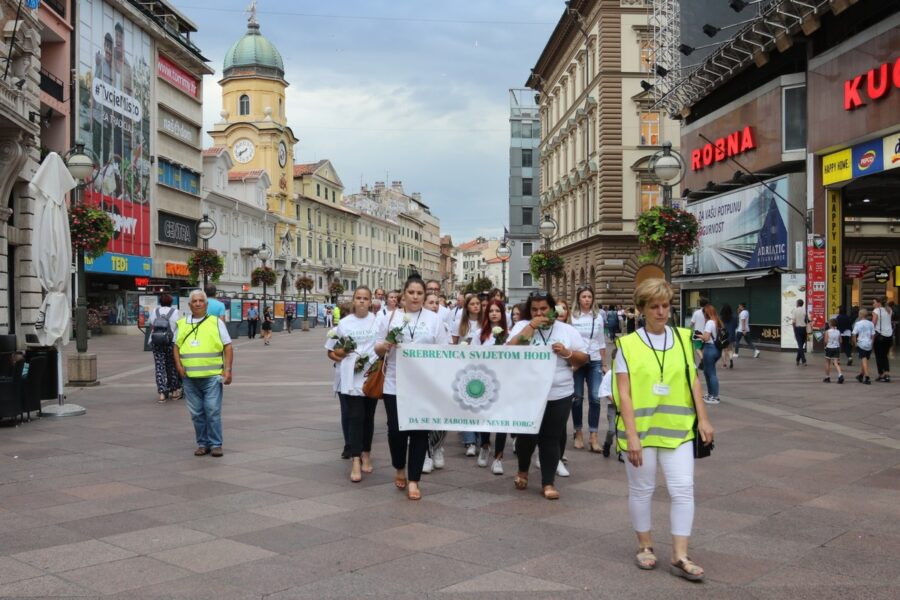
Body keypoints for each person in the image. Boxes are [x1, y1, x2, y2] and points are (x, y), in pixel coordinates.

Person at [612, 278, 714, 582]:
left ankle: (680, 555)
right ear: (641, 309)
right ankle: (645, 545)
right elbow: (624, 393)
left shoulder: (684, 338)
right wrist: (631, 435)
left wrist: (704, 418)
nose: (661, 312)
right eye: (654, 307)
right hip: (640, 431)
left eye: (665, 305)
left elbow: (693, 380)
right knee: (642, 489)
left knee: (683, 488)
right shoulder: (626, 345)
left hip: (678, 428)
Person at [374, 275, 450, 500]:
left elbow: (443, 351)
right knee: (396, 431)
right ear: (403, 295)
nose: (415, 297)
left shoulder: (434, 319)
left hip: (423, 385)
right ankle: (399, 467)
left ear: (424, 295)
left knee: (419, 432)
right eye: (411, 293)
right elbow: (377, 349)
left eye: (419, 293)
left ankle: (414, 480)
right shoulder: (390, 317)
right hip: (394, 383)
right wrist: (387, 344)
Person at [507, 290, 588, 500]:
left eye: (544, 309)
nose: (539, 313)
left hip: (559, 392)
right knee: (526, 435)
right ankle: (522, 470)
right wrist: (531, 327)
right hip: (528, 392)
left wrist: (566, 352)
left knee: (551, 438)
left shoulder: (567, 330)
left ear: (553, 309)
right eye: (534, 310)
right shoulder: (522, 326)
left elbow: (583, 358)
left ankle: (548, 482)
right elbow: (509, 350)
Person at [173, 289, 234, 457]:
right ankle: (202, 444)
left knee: (212, 411)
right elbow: (176, 347)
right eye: (195, 301)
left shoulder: (216, 322)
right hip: (189, 378)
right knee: (197, 414)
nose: (198, 303)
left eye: (201, 301)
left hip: (212, 377)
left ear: (206, 304)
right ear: (190, 305)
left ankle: (215, 444)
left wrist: (227, 371)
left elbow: (228, 346)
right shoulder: (182, 323)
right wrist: (178, 365)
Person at [325, 287, 378, 482]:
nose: (362, 301)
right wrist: (341, 355)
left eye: (365, 298)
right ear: (353, 301)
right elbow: (331, 350)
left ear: (370, 301)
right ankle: (355, 458)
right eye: (358, 298)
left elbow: (381, 345)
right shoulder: (345, 323)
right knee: (355, 417)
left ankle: (366, 453)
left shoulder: (377, 321)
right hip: (351, 378)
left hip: (371, 377)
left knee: (369, 418)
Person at [471, 300, 510, 474]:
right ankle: (485, 445)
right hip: (485, 381)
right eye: (491, 311)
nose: (494, 313)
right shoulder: (480, 334)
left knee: (502, 420)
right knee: (485, 417)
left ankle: (498, 457)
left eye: (497, 311)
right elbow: (471, 355)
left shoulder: (509, 335)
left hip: (503, 381)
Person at [570, 286, 608, 453]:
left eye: (589, 297)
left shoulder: (598, 317)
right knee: (577, 397)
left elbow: (601, 341)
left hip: (594, 360)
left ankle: (593, 435)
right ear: (578, 299)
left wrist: (604, 363)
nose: (586, 299)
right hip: (578, 360)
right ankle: (578, 432)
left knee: (595, 397)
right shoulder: (572, 317)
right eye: (584, 297)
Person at [421, 291, 450, 474]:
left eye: (436, 303)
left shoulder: (442, 324)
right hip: (420, 375)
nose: (434, 306)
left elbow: (445, 348)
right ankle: (425, 452)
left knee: (440, 414)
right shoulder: (416, 323)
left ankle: (438, 446)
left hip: (438, 374)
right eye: (430, 302)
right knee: (424, 414)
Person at [453, 293, 482, 455]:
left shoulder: (484, 323)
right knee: (466, 402)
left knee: (479, 403)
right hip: (464, 365)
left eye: (478, 303)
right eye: (472, 304)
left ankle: (478, 436)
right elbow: (453, 343)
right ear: (467, 307)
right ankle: (469, 440)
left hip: (481, 365)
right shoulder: (460, 323)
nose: (476, 306)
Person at [149, 293, 181, 403]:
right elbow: (179, 326)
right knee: (171, 366)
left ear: (160, 302)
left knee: (159, 366)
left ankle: (162, 393)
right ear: (171, 302)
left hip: (157, 341)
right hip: (171, 342)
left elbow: (151, 324)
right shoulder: (175, 312)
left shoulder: (155, 311)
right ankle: (174, 391)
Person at [700, 304, 723, 405]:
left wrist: (698, 335)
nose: (703, 315)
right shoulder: (717, 321)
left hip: (710, 349)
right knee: (707, 371)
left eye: (704, 313)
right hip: (717, 349)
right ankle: (711, 394)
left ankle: (714, 396)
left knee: (711, 373)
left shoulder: (709, 322)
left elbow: (706, 337)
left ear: (707, 313)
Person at [872, 297, 893, 383]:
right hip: (889, 336)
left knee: (879, 356)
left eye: (874, 303)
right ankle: (887, 374)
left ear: (878, 303)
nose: (873, 304)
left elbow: (874, 323)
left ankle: (881, 374)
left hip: (880, 336)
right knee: (885, 355)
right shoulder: (889, 310)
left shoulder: (876, 311)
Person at [852, 308, 875, 384]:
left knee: (864, 360)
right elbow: (873, 334)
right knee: (864, 360)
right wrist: (871, 343)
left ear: (860, 315)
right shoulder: (871, 323)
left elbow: (854, 334)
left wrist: (855, 343)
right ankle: (861, 375)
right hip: (869, 344)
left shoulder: (858, 323)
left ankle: (867, 377)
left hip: (861, 343)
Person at [823, 318, 845, 384]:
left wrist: (825, 345)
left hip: (829, 348)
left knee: (827, 362)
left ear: (830, 324)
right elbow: (841, 341)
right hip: (836, 348)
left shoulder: (827, 332)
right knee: (836, 363)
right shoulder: (838, 331)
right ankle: (840, 375)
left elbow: (825, 341)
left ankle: (827, 377)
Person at [690, 298, 708, 369]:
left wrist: (689, 328)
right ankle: (702, 363)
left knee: (697, 347)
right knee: (703, 348)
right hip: (706, 333)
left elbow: (692, 323)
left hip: (697, 333)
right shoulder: (708, 312)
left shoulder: (696, 312)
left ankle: (702, 359)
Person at [791, 299, 808, 366]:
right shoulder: (805, 310)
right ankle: (798, 360)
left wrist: (794, 330)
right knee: (801, 345)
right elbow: (807, 320)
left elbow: (793, 322)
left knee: (800, 345)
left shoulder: (794, 310)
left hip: (798, 329)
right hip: (804, 329)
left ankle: (803, 360)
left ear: (798, 303)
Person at [719, 304, 736, 370]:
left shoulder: (721, 318)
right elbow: (735, 326)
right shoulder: (734, 318)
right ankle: (731, 360)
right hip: (731, 335)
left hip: (724, 335)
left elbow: (719, 327)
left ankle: (724, 364)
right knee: (730, 349)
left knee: (723, 350)